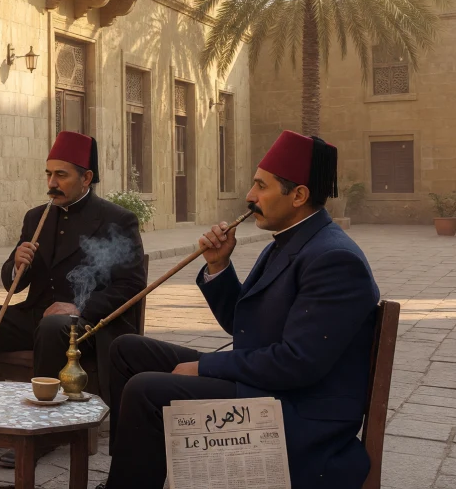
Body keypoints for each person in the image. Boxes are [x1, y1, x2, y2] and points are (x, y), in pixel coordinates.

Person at [99, 131, 380, 489]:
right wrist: (218, 265)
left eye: (261, 186)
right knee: (127, 350)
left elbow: (298, 363)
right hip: (269, 385)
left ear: (298, 195)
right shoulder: (288, 242)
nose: (250, 196)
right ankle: (130, 470)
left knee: (145, 390)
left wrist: (205, 367)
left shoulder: (334, 259)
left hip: (299, 415)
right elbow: (244, 326)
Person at [0, 130, 144, 468]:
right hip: (36, 316)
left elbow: (132, 285)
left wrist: (79, 306)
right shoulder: (36, 216)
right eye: (48, 174)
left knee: (55, 325)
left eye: (61, 175)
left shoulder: (117, 219)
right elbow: (13, 283)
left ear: (86, 178)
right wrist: (17, 263)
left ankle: (42, 433)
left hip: (87, 327)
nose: (52, 183)